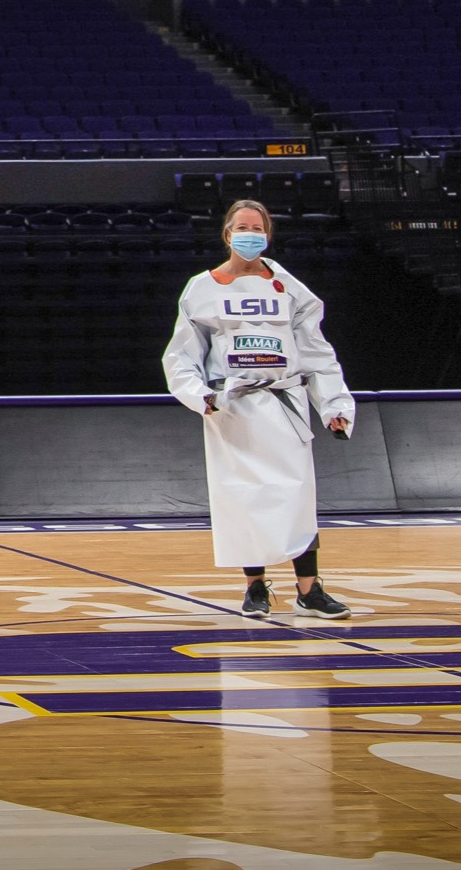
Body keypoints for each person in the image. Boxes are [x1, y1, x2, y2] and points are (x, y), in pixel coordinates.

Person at [163, 198, 355, 619]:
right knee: (243, 497)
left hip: (285, 402)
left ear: (268, 234)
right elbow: (181, 355)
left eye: (258, 227)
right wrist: (202, 397)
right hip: (232, 407)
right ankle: (255, 588)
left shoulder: (290, 288)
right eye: (242, 227)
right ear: (227, 233)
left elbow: (317, 353)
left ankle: (309, 589)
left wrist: (334, 405)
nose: (251, 234)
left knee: (297, 495)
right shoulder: (203, 287)